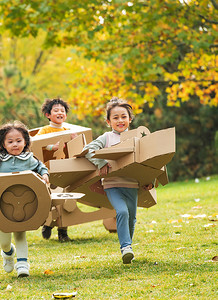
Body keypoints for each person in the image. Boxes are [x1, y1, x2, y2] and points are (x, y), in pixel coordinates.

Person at [82, 97, 153, 264]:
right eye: (115, 117)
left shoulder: (137, 138)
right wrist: (101, 162)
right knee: (121, 212)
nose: (120, 120)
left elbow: (149, 161)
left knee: (131, 217)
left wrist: (149, 180)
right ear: (108, 121)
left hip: (132, 184)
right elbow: (88, 149)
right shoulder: (107, 138)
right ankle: (126, 247)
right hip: (112, 184)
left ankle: (128, 246)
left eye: (123, 116)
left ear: (130, 119)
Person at [0, 121, 49, 277]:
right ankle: (8, 253)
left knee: (20, 234)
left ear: (25, 142)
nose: (15, 144)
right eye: (10, 142)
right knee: (4, 239)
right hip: (2, 206)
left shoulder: (29, 159)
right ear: (3, 144)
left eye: (19, 141)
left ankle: (23, 265)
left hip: (23, 205)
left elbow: (41, 167)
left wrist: (45, 174)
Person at [36, 97, 71, 242]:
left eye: (62, 111)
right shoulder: (45, 130)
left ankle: (63, 231)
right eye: (56, 110)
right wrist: (52, 147)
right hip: (48, 170)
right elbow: (37, 146)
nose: (60, 113)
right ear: (48, 115)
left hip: (65, 169)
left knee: (66, 200)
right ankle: (48, 223)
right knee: (50, 200)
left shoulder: (67, 130)